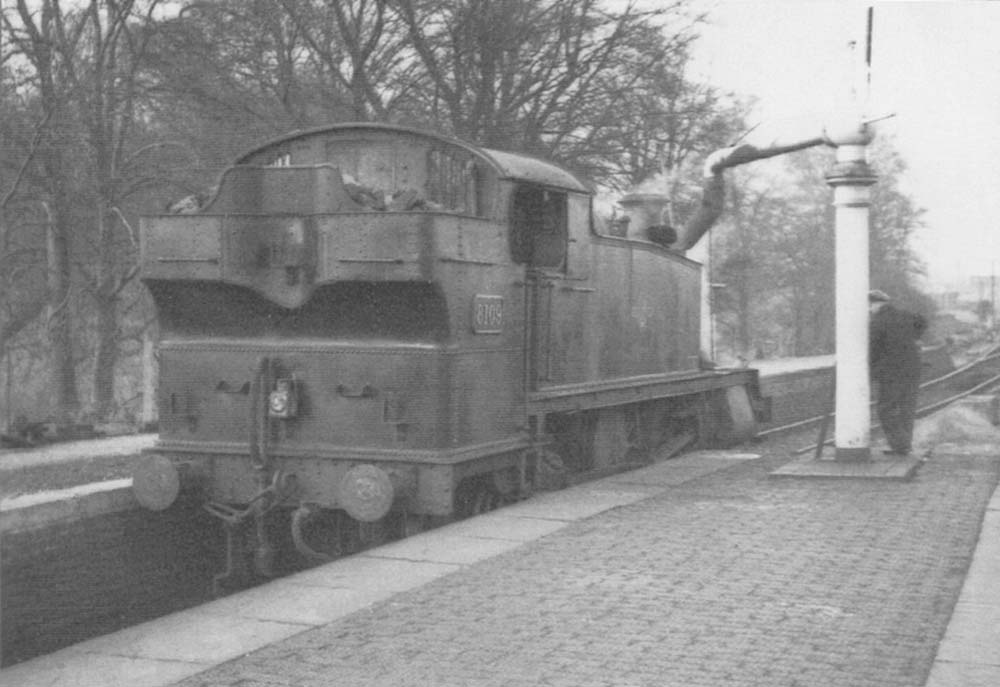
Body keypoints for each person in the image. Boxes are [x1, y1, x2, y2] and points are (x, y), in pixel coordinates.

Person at [869, 289, 927, 455]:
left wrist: (871, 371)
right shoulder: (906, 315)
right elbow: (922, 322)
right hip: (913, 367)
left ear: (874, 304)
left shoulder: (877, 322)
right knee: (907, 407)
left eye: (870, 306)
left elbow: (873, 350)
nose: (869, 310)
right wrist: (915, 337)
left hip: (892, 372)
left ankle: (900, 444)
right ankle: (904, 445)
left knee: (885, 409)